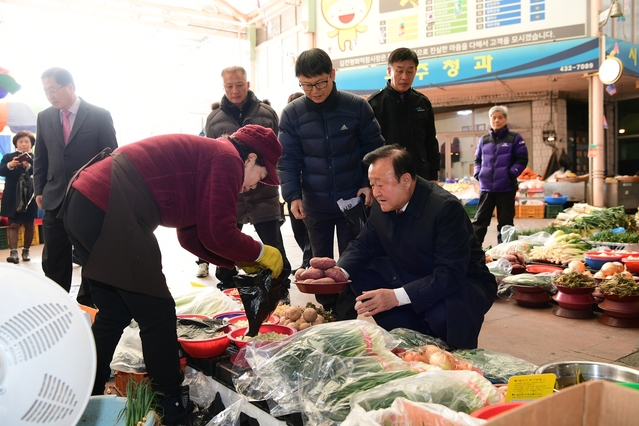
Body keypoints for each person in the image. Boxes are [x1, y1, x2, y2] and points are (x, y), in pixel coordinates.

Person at [61, 125, 284, 425]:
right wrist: (260, 252)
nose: (258, 185)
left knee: (114, 312)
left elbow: (193, 237)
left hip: (86, 203)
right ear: (250, 158)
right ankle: (171, 405)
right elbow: (218, 231)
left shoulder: (212, 156)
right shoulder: (227, 158)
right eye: (262, 174)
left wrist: (238, 262)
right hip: (109, 204)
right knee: (158, 312)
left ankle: (84, 393)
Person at [335, 145, 496, 349]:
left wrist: (395, 297)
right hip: (414, 273)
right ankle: (411, 341)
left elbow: (450, 274)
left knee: (443, 314)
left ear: (406, 180)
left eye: (381, 185)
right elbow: (363, 244)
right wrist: (338, 272)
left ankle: (449, 352)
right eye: (372, 185)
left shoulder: (445, 208)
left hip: (461, 282)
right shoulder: (382, 203)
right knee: (361, 275)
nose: (375, 192)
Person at [278, 47, 385, 315]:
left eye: (321, 83)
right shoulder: (292, 114)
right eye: (306, 85)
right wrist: (292, 195)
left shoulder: (357, 106)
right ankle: (327, 311)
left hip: (353, 199)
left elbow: (374, 150)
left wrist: (367, 183)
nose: (315, 91)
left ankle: (348, 312)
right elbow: (287, 158)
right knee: (319, 263)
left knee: (353, 258)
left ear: (332, 75)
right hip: (315, 201)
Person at [199, 66, 292, 299]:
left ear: (248, 84)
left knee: (274, 245)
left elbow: (278, 153)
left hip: (264, 193)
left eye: (239, 85)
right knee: (225, 244)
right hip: (230, 197)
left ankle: (281, 290)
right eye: (229, 86)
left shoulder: (267, 113)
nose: (235, 90)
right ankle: (227, 291)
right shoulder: (214, 119)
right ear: (223, 87)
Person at [33, 67, 118, 299]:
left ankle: (87, 303)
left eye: (53, 89)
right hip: (54, 196)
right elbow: (40, 155)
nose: (49, 95)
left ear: (69, 87)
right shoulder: (44, 117)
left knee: (89, 252)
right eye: (45, 91)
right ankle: (57, 302)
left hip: (88, 196)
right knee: (54, 256)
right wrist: (39, 188)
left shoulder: (99, 115)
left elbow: (111, 156)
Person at [367, 47, 440, 181]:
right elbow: (366, 146)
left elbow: (431, 142)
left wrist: (433, 175)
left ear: (415, 71)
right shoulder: (374, 104)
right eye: (399, 71)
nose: (405, 77)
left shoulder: (422, 103)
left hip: (419, 175)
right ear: (389, 71)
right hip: (386, 176)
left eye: (410, 71)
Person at [472, 105, 528, 245]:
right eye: (494, 117)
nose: (497, 120)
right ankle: (473, 251)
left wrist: (510, 174)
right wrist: (478, 174)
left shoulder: (515, 138)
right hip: (486, 188)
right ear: (490, 120)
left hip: (506, 188)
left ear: (506, 119)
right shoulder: (484, 140)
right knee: (480, 221)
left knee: (505, 223)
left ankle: (505, 252)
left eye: (500, 117)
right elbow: (477, 159)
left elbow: (522, 159)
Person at [0, 131, 37, 263]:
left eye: (27, 142)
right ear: (16, 144)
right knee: (13, 224)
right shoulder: (9, 157)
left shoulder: (36, 158)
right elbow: (1, 170)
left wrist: (29, 167)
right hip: (12, 195)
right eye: (20, 142)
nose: (23, 144)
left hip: (30, 196)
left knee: (29, 224)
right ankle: (13, 252)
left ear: (31, 144)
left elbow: (41, 173)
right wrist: (11, 165)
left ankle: (26, 250)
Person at [285, 91, 312, 269]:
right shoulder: (286, 131)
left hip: (312, 189)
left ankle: (308, 262)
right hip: (295, 188)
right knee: (298, 229)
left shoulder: (312, 128)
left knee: (311, 229)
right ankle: (306, 260)